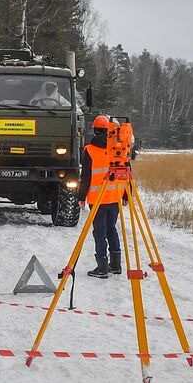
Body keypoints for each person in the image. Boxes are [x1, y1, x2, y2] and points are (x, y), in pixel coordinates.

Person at [79, 115, 123, 278]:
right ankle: (116, 265)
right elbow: (126, 171)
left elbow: (86, 176)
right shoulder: (120, 148)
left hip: (97, 198)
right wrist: (126, 194)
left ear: (96, 130)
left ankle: (102, 267)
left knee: (99, 231)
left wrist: (81, 196)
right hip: (115, 196)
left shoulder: (90, 150)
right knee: (111, 228)